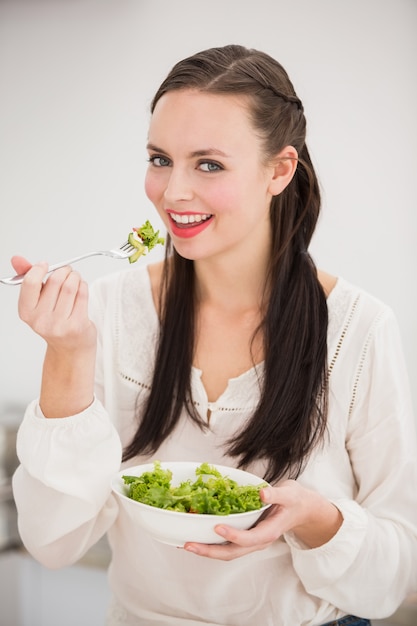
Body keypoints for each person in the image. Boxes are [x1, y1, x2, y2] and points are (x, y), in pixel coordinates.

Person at [10, 44, 417, 626]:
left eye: (208, 164)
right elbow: (52, 544)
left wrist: (314, 519)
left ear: (280, 170)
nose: (173, 192)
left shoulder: (359, 327)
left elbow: (391, 579)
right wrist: (68, 355)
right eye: (159, 158)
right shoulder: (108, 309)